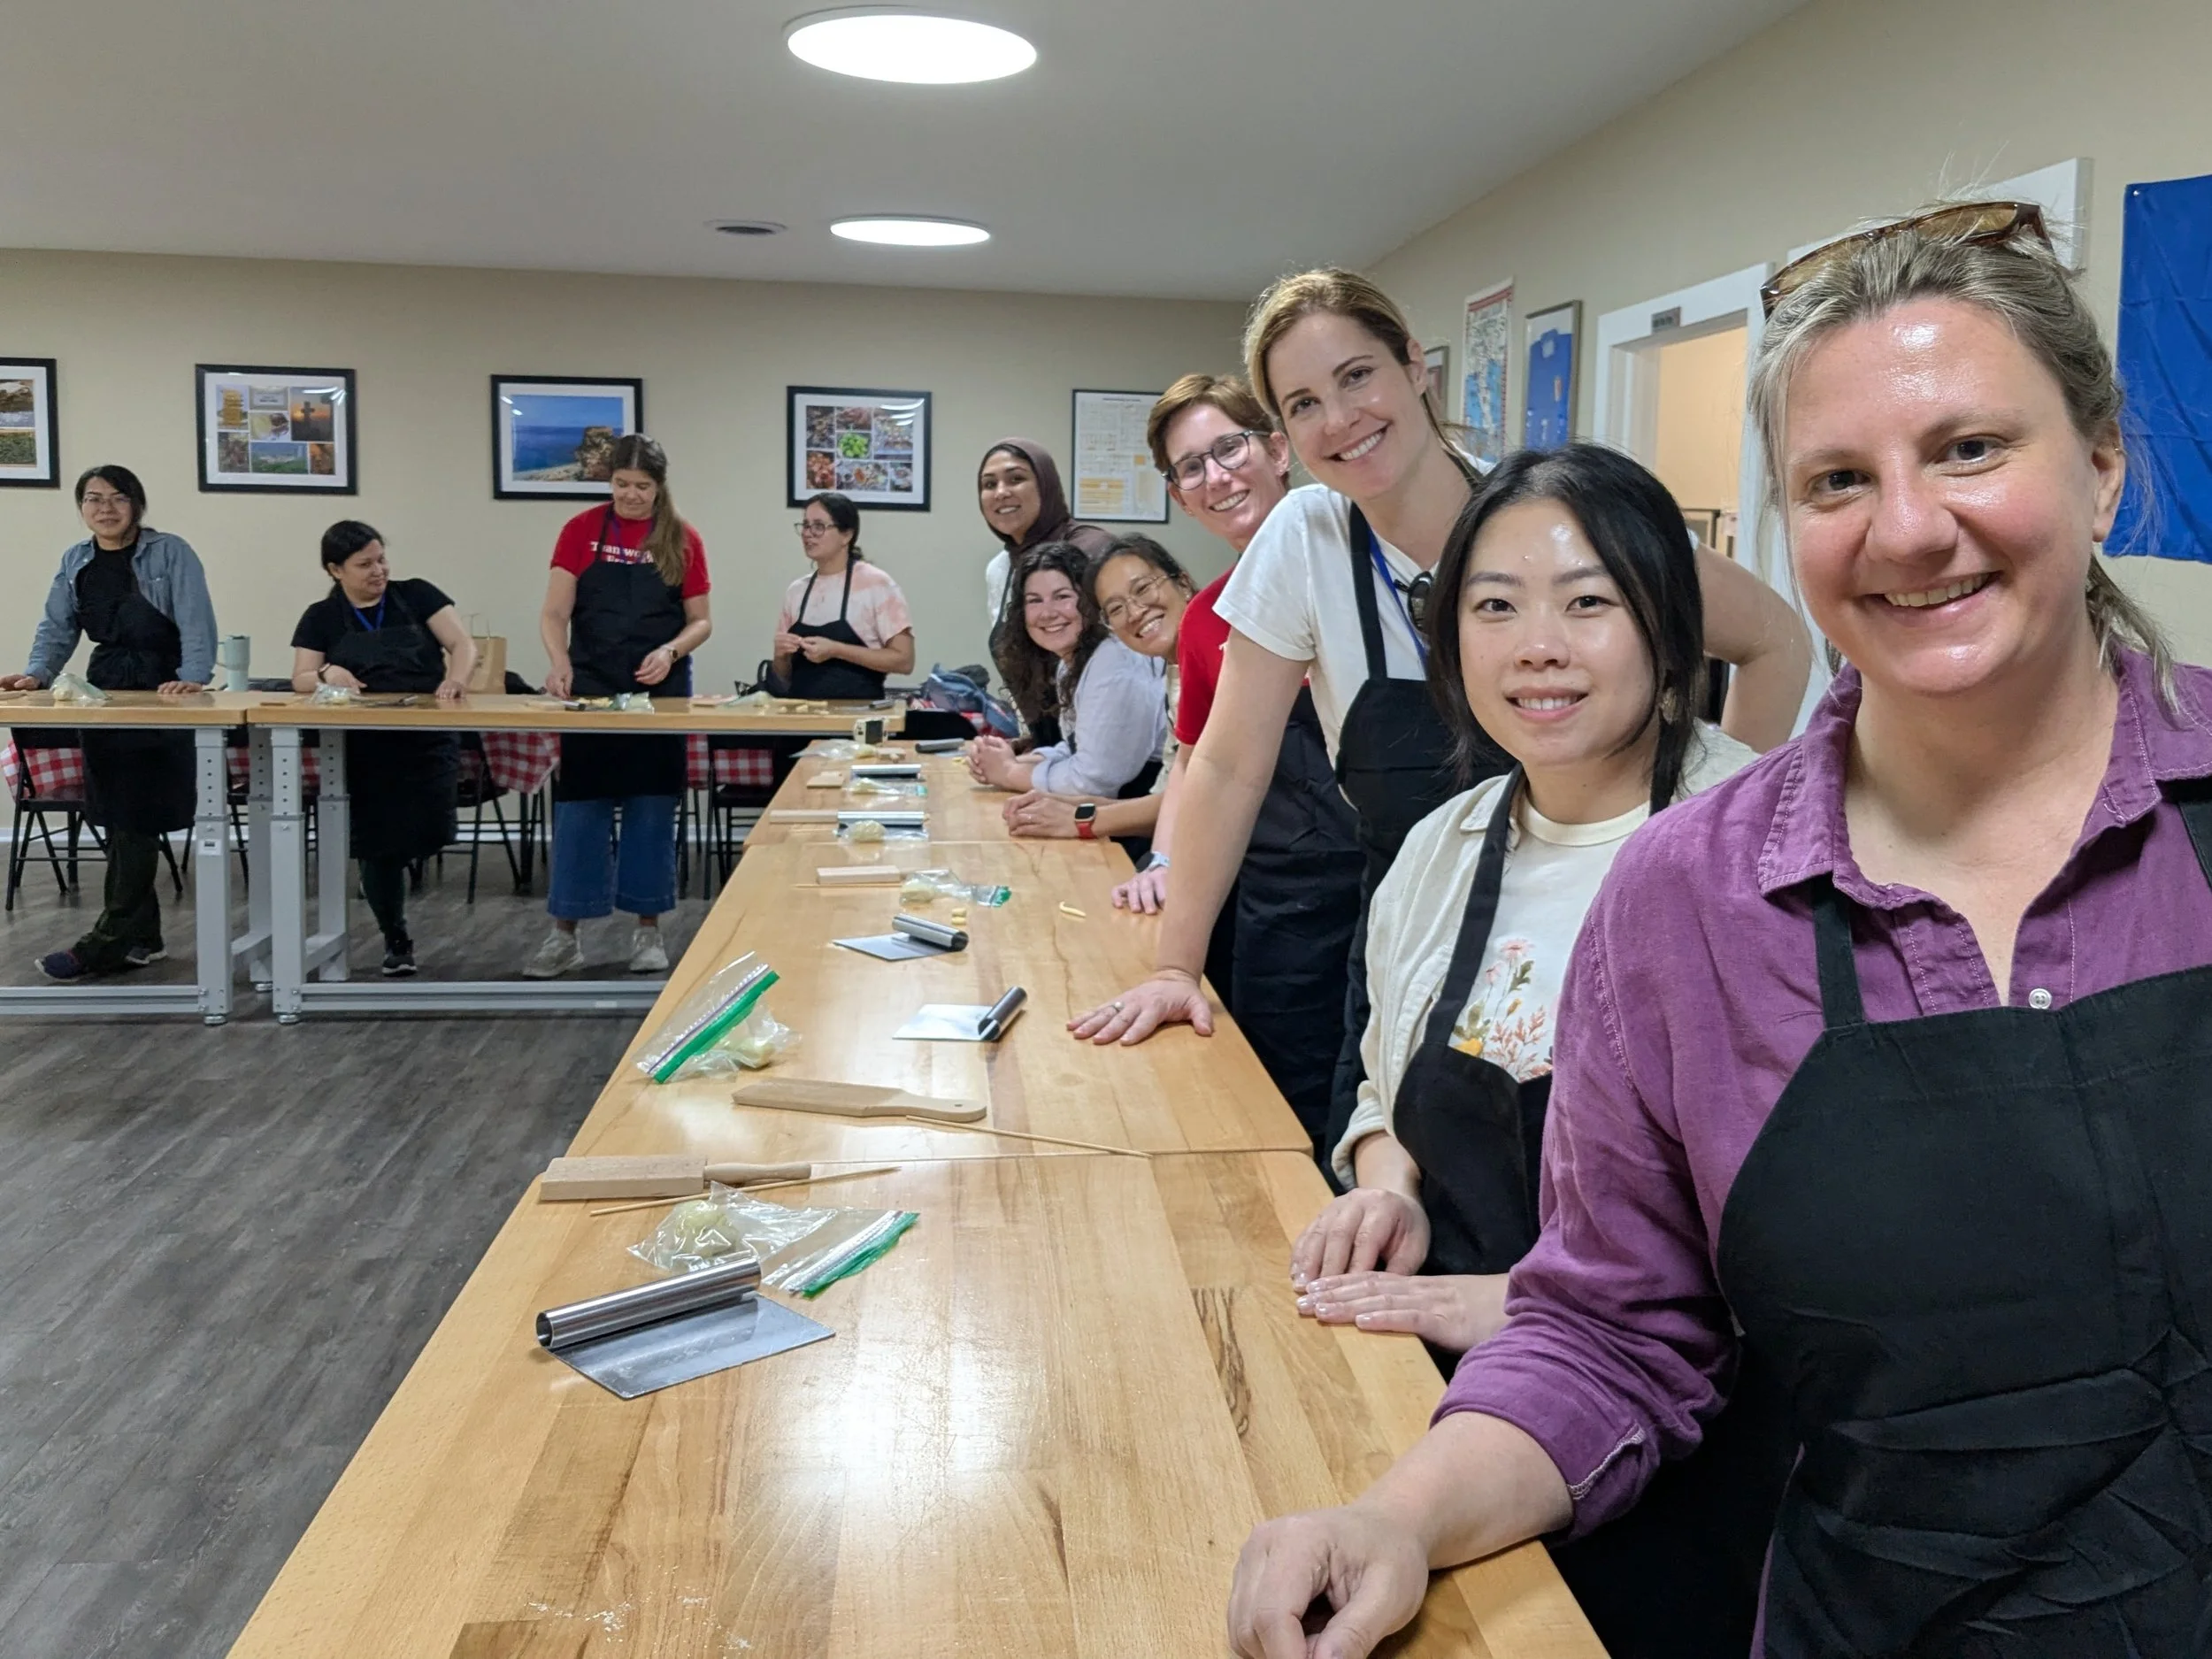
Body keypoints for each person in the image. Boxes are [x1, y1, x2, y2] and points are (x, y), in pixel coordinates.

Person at [1226, 203, 2209, 1659]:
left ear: (2106, 467)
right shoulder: (1688, 899)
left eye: (1970, 449)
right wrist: (1401, 1517)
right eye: (1836, 479)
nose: (1909, 526)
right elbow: (1613, 1327)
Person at [1071, 270, 1813, 1171]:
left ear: (1414, 366)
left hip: (1598, 933)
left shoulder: (1555, 517)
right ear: (1283, 436)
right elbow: (1227, 767)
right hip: (1406, 937)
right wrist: (1174, 969)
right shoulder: (1306, 539)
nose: (1339, 417)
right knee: (1376, 1192)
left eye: (1356, 376)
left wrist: (1713, 843)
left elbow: (1775, 639)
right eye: (1303, 402)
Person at [1289, 443, 1780, 1657]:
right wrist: (1387, 1178)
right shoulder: (1444, 845)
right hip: (1439, 1385)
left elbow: (1780, 1244)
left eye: (1589, 601)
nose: (1537, 644)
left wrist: (1521, 1301)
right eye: (1495, 605)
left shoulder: (1754, 859)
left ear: (1670, 631)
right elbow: (1378, 1064)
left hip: (1679, 1437)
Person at [1093, 373, 1367, 1155]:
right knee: (1287, 1107)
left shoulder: (1372, 563)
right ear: (1180, 496)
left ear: (1278, 450)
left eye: (1229, 448)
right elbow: (1201, 764)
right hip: (1283, 902)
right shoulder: (1209, 617)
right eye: (1191, 467)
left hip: (1391, 884)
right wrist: (1168, 860)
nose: (1216, 476)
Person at [3, 465, 218, 982]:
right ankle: (144, 937)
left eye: (118, 498)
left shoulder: (170, 552)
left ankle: (107, 941)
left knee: (138, 815)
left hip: (162, 687)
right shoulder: (76, 560)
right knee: (118, 815)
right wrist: (36, 675)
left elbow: (196, 619)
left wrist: (191, 678)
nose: (105, 509)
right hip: (106, 690)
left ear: (137, 505)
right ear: (81, 508)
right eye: (93, 499)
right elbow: (57, 627)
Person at [526, 434, 711, 979]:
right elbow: (555, 613)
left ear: (660, 487)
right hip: (593, 690)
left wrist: (671, 649)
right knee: (581, 810)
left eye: (642, 487)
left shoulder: (683, 539)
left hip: (660, 692)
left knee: (652, 810)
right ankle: (565, 934)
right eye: (621, 485)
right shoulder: (581, 532)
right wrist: (559, 663)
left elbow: (701, 620)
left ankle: (647, 933)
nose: (630, 497)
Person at [288, 521, 477, 976]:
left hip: (427, 737)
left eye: (381, 559)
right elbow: (299, 678)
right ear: (335, 570)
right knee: (378, 847)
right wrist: (327, 675)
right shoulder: (320, 616)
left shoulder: (417, 594)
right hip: (365, 747)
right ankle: (395, 934)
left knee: (431, 830)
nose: (379, 570)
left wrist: (457, 678)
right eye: (365, 564)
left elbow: (462, 644)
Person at [1000, 534, 1194, 846]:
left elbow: (1096, 780)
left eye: (1143, 589)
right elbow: (1170, 797)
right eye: (1116, 608)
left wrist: (1010, 774)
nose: (1134, 612)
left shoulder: (1116, 660)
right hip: (1166, 832)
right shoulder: (1171, 670)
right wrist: (1050, 795)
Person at [977, 437, 1114, 693]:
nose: (1001, 492)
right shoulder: (999, 569)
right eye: (989, 484)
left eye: (1016, 479)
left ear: (1045, 484)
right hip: (1047, 728)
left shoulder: (1092, 549)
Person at [772, 492, 915, 701]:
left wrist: (837, 650)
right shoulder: (796, 591)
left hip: (857, 720)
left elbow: (904, 661)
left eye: (819, 526)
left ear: (846, 535)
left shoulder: (876, 584)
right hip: (800, 720)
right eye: (805, 525)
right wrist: (780, 656)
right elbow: (783, 677)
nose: (808, 534)